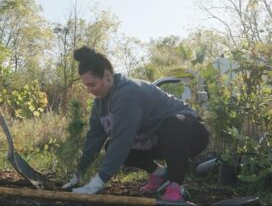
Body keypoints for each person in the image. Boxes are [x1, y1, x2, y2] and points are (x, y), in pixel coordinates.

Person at [62, 46, 209, 202]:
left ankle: (176, 186)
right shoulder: (100, 103)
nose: (89, 90)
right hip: (157, 140)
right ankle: (159, 175)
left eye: (92, 85)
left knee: (171, 125)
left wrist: (98, 182)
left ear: (107, 76)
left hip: (191, 134)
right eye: (86, 85)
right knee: (110, 146)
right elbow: (94, 139)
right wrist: (78, 174)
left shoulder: (128, 94)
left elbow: (122, 141)